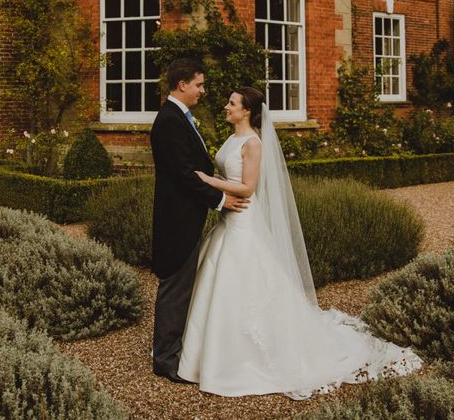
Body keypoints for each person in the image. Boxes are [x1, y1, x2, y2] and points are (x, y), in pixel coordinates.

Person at [177, 87, 422, 398]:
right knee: (221, 282)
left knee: (243, 283)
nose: (226, 106)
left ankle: (239, 361)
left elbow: (249, 188)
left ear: (248, 112)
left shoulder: (253, 142)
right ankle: (208, 353)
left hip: (243, 221)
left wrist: (208, 181)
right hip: (228, 221)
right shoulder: (232, 138)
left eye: (232, 103)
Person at [150, 58, 249, 383]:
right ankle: (165, 360)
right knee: (175, 286)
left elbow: (196, 169)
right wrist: (221, 200)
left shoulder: (179, 118)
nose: (203, 91)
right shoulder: (169, 121)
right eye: (199, 84)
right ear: (182, 85)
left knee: (180, 286)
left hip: (186, 216)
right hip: (176, 219)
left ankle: (172, 351)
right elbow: (182, 175)